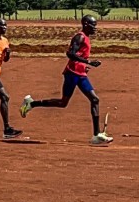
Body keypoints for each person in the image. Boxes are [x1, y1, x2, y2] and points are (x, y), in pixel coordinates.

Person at [20, 15, 113, 145]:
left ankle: (96, 135)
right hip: (72, 73)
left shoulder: (86, 38)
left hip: (80, 74)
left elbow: (78, 55)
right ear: (86, 24)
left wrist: (84, 66)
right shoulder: (79, 37)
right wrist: (88, 62)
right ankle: (31, 104)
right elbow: (70, 54)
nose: (95, 28)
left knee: (94, 99)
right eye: (93, 25)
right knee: (63, 102)